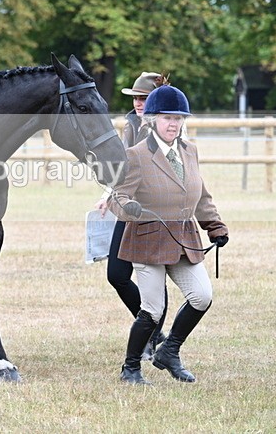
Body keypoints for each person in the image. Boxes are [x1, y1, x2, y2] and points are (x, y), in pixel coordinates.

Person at [107, 84, 229, 385]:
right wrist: (130, 208)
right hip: (147, 241)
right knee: (152, 309)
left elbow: (200, 195)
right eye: (166, 118)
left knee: (202, 296)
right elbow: (117, 197)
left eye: (178, 118)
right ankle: (130, 368)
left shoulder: (190, 152)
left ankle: (169, 351)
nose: (173, 124)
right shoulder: (136, 155)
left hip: (183, 239)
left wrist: (214, 226)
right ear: (151, 121)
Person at [95, 72, 167, 361]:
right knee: (117, 275)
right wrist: (107, 194)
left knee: (154, 279)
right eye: (135, 97)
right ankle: (154, 330)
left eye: (144, 97)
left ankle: (150, 334)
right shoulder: (131, 123)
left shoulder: (166, 128)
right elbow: (124, 165)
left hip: (155, 210)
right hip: (128, 206)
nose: (138, 102)